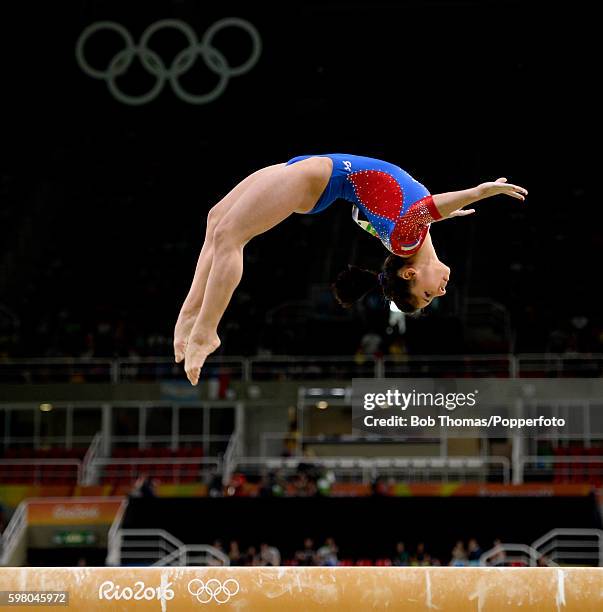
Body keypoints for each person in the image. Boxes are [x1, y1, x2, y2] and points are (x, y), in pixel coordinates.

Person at [173, 153, 527, 385]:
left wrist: (478, 193)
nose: (441, 291)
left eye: (427, 296)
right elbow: (371, 211)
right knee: (217, 221)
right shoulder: (408, 238)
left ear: (410, 273)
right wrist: (449, 212)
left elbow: (425, 208)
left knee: (231, 237)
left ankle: (207, 331)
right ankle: (189, 314)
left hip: (314, 178)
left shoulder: (406, 240)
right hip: (315, 168)